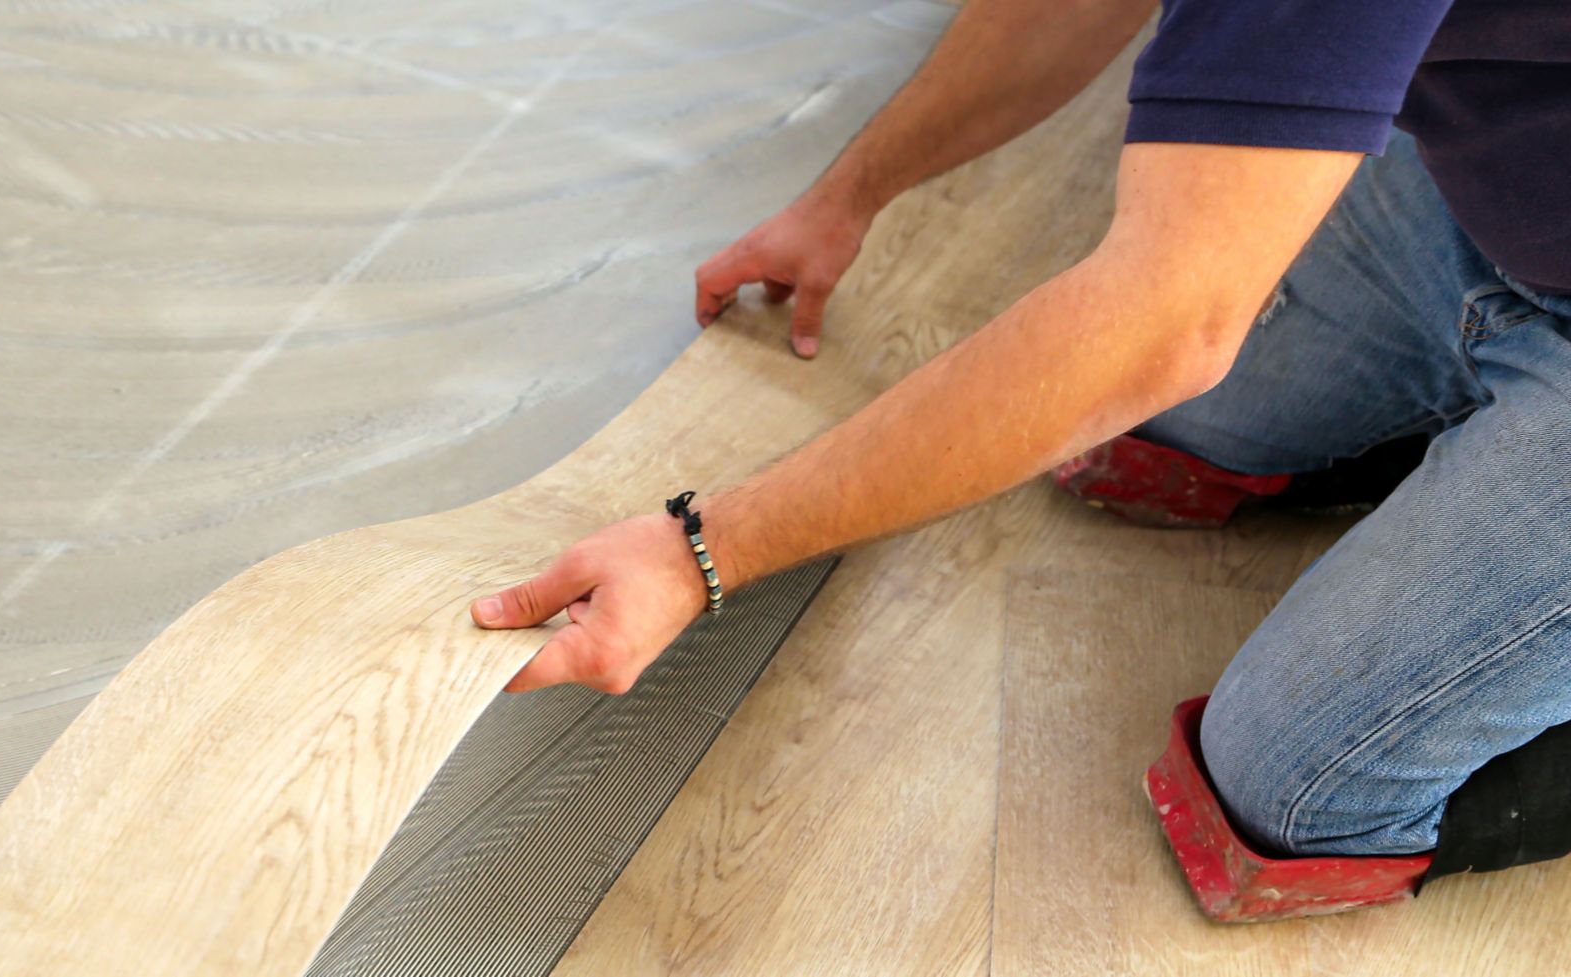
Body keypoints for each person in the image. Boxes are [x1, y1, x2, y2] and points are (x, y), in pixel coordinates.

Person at [469, 0, 1570, 878]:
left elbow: (1160, 327)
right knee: (1163, 431)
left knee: (1291, 786)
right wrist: (850, 195)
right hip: (1487, 194)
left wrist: (698, 551)